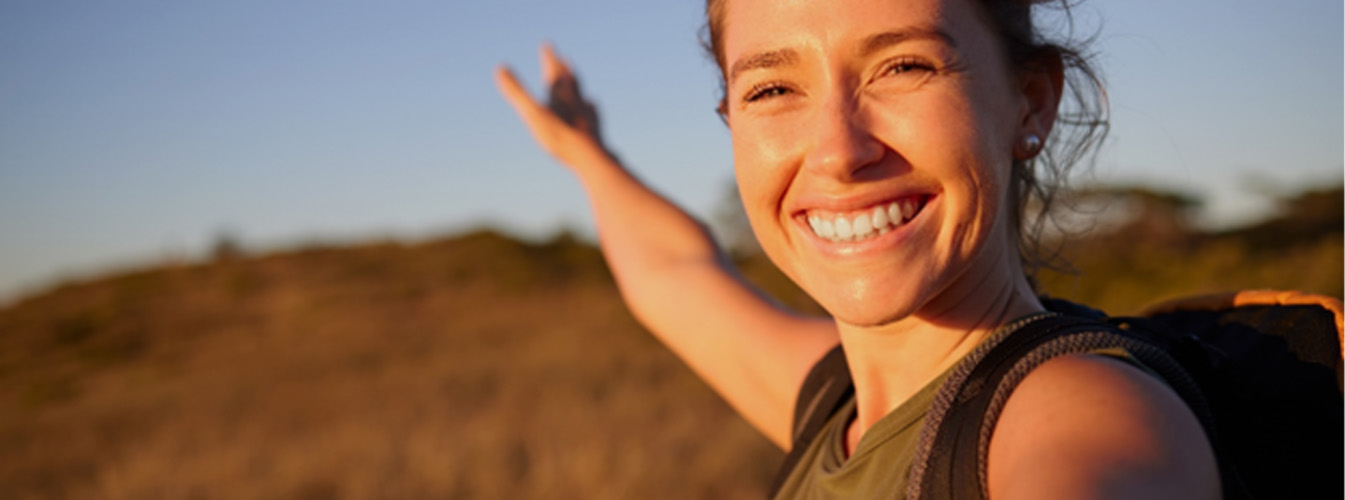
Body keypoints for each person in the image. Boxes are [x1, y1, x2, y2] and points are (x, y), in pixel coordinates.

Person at [495, 0, 1220, 498]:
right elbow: (675, 276)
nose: (838, 152)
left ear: (1029, 99)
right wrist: (588, 157)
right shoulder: (837, 403)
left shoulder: (1081, 419)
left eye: (903, 67)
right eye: (772, 89)